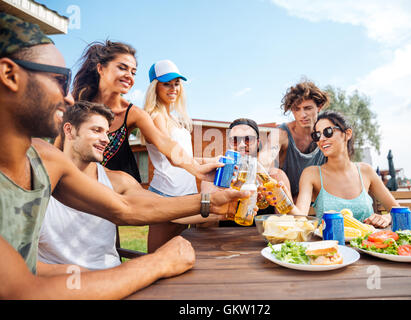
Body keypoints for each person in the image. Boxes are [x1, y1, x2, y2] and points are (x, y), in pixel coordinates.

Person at [0, 13, 249, 299]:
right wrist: (157, 262)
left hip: (109, 186)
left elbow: (127, 204)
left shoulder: (57, 160)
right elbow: (22, 289)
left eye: (134, 70)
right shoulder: (63, 133)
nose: (66, 97)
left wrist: (204, 186)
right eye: (58, 79)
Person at [38, 101, 225, 272]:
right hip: (62, 287)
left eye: (106, 132)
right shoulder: (38, 180)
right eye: (96, 130)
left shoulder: (118, 181)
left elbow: (161, 207)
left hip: (115, 281)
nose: (106, 139)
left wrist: (222, 205)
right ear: (69, 131)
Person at [66, 40, 218, 183]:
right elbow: (60, 147)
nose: (129, 76)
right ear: (100, 68)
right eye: (122, 68)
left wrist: (197, 169)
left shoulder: (134, 113)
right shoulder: (77, 103)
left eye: (133, 72)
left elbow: (165, 142)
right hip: (77, 188)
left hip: (121, 191)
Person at [295, 111, 398, 228]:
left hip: (365, 245)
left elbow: (397, 211)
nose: (321, 139)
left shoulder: (366, 171)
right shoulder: (311, 174)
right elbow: (300, 218)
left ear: (347, 134)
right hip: (329, 244)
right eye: (317, 135)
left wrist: (387, 217)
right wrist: (282, 197)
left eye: (328, 132)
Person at [143, 60, 200, 252]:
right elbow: (172, 157)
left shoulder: (175, 118)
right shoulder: (155, 116)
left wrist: (210, 162)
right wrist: (201, 169)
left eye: (176, 83)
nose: (173, 88)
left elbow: (186, 158)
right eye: (166, 84)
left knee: (179, 257)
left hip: (186, 193)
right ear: (155, 87)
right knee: (157, 258)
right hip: (167, 195)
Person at [202, 118, 294, 228]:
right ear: (229, 144)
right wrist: (223, 208)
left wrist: (278, 202)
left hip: (265, 241)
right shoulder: (214, 177)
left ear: (258, 142)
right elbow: (203, 224)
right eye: (235, 140)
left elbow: (286, 222)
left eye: (248, 139)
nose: (242, 145)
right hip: (225, 241)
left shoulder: (276, 176)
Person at [258, 80, 328, 203]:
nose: (303, 114)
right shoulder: (281, 134)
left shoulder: (327, 134)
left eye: (307, 108)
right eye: (296, 109)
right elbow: (264, 160)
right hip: (283, 196)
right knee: (276, 173)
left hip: (314, 194)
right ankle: (285, 220)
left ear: (319, 107)